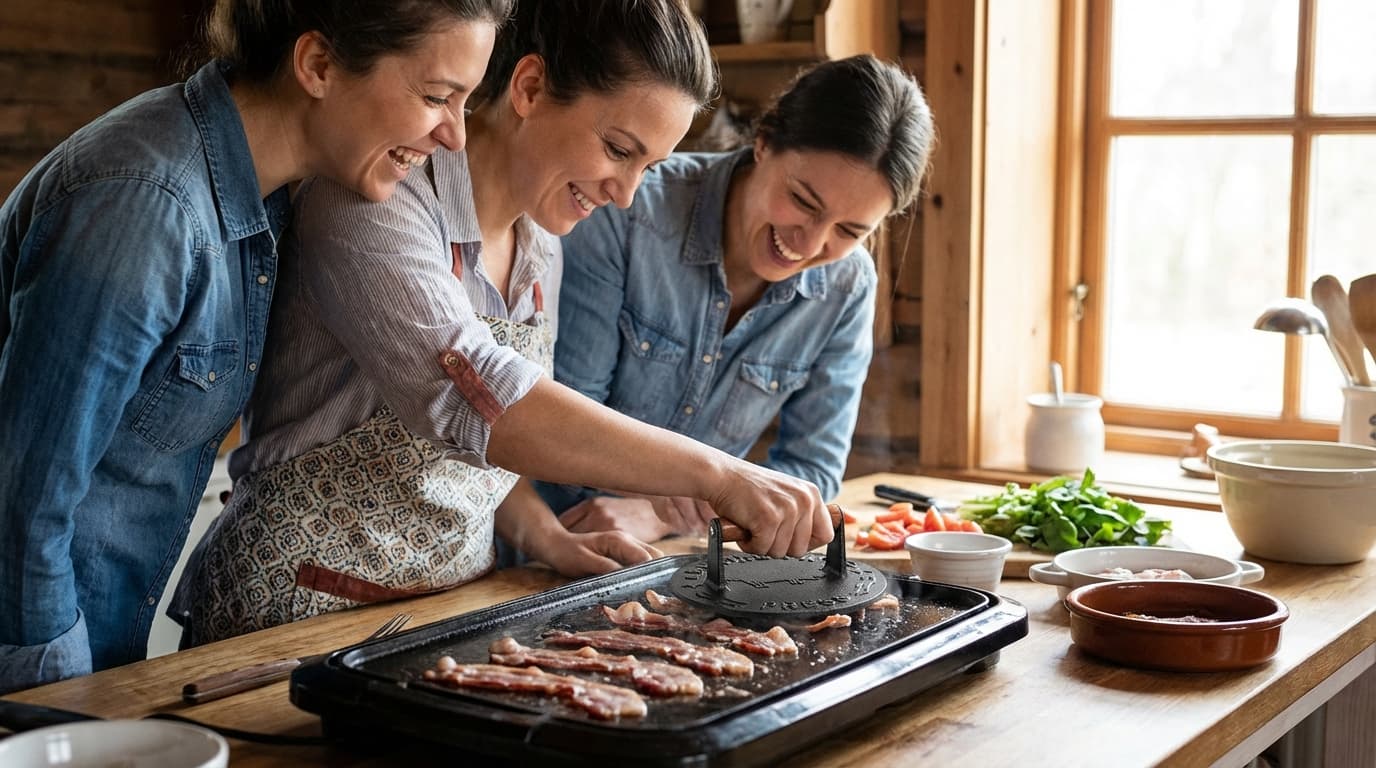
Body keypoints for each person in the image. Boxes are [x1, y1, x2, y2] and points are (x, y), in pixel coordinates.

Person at [170, 0, 833, 648]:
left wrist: (549, 538)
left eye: (648, 168)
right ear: (530, 87)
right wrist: (723, 476)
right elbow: (483, 400)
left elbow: (484, 452)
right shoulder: (374, 197)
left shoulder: (541, 237)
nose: (624, 193)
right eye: (617, 149)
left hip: (444, 610)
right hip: (293, 614)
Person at [0, 0, 512, 693]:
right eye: (435, 97)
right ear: (318, 65)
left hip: (98, 649)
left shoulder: (264, 199)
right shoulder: (149, 203)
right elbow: (20, 508)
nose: (453, 136)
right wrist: (53, 708)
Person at [538, 55, 936, 544]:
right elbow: (569, 423)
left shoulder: (848, 284)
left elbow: (810, 471)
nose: (810, 244)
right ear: (764, 142)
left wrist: (665, 516)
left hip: (679, 552)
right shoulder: (626, 210)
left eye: (850, 230)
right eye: (805, 202)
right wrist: (712, 490)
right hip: (538, 543)